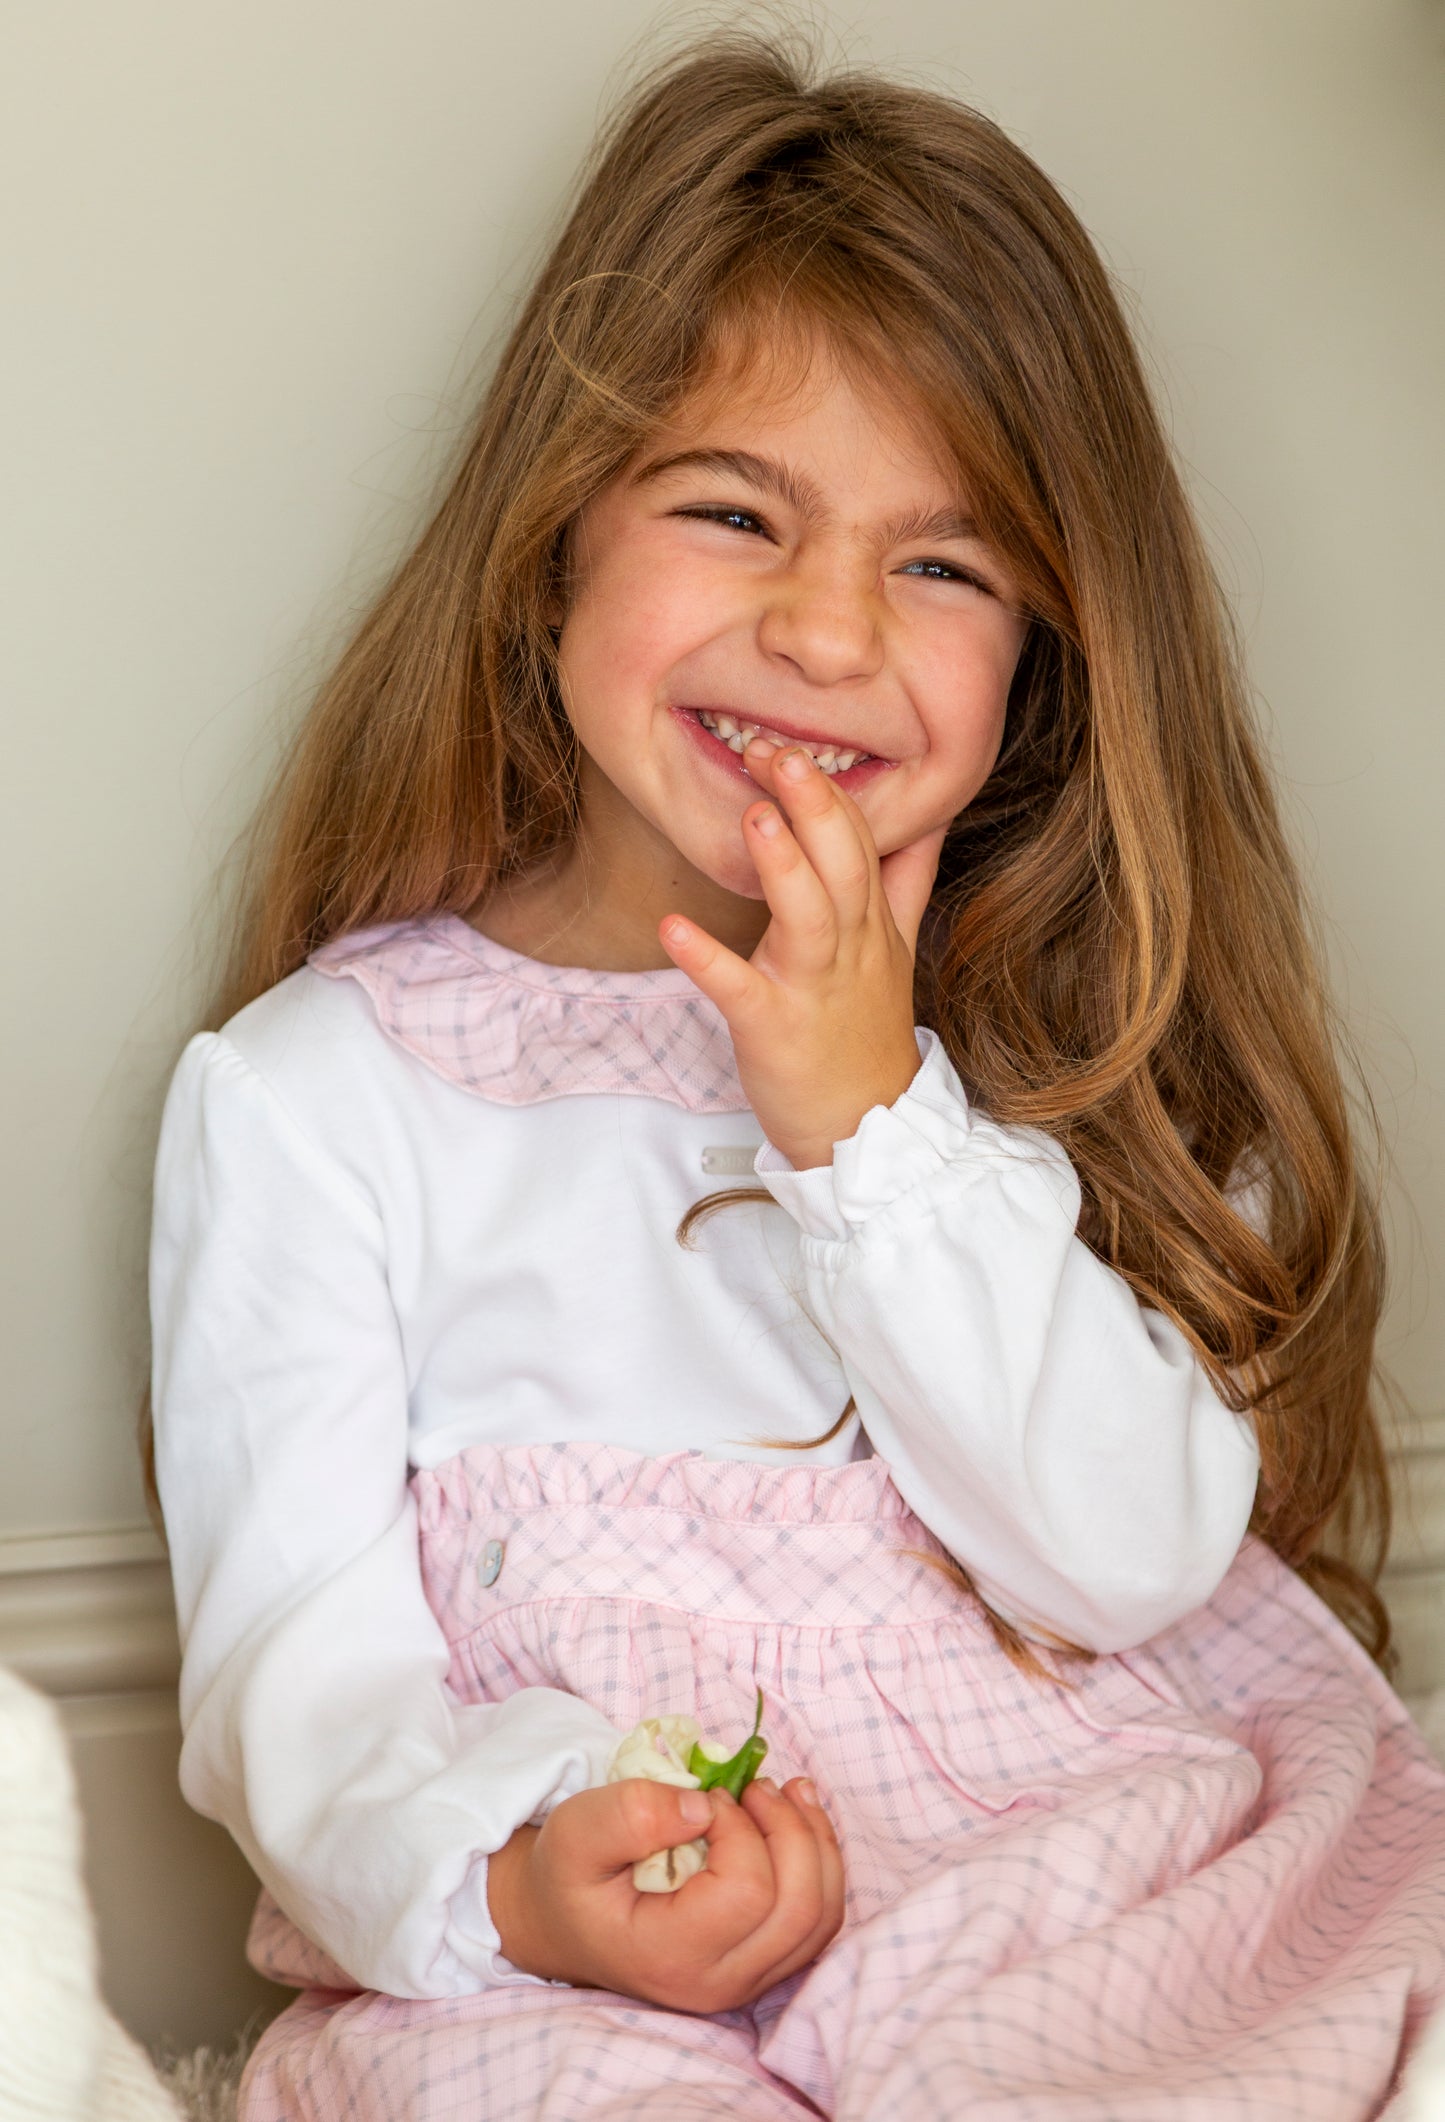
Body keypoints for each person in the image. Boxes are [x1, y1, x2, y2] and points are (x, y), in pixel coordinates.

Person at [147, 34, 1445, 2121]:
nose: (829, 632)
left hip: (1059, 1873)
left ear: (1041, 657)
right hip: (594, 1944)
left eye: (942, 563)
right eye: (734, 510)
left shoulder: (1046, 1040)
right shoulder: (325, 1097)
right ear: (554, 541)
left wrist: (870, 1125)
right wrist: (526, 1871)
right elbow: (292, 1661)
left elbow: (1128, 1559)